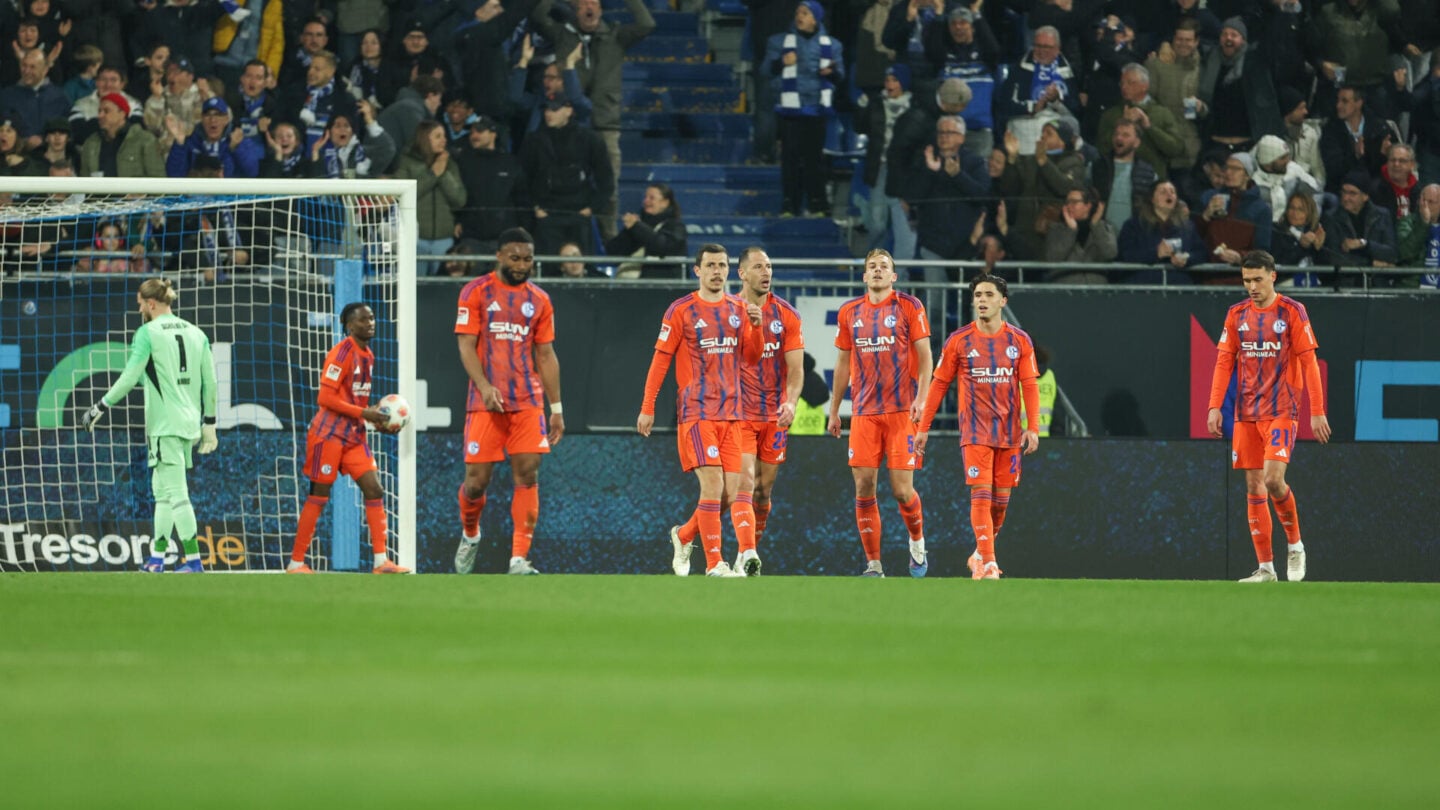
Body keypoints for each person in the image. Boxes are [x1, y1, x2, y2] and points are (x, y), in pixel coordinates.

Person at [666, 247, 803, 576]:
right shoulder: (728, 310)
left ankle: (686, 535)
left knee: (762, 492)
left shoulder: (786, 315)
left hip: (773, 415)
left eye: (769, 266)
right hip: (736, 412)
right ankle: (746, 553)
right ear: (741, 273)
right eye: (758, 267)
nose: (766, 272)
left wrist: (791, 402)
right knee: (741, 485)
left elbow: (796, 368)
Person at [637, 244, 764, 578]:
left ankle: (683, 535)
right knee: (712, 485)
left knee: (730, 494)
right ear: (698, 270)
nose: (716, 271)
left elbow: (752, 358)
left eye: (722, 265)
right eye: (710, 265)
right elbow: (661, 359)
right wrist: (648, 406)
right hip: (697, 413)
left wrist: (756, 328)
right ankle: (714, 563)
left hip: (732, 414)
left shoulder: (740, 308)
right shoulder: (681, 310)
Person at [1207, 248, 1332, 585]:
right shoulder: (1236, 314)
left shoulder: (1292, 311)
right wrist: (1214, 406)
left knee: (1274, 480)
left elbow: (1309, 362)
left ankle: (1295, 545)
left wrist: (1317, 412)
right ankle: (1266, 569)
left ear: (1272, 276)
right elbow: (1223, 362)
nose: (1252, 287)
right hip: (1246, 412)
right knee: (1253, 484)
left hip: (1282, 410)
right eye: (1246, 280)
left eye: (1258, 279)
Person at [80, 278, 218, 573]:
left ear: (151, 303)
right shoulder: (197, 333)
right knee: (163, 493)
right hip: (189, 424)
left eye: (141, 303)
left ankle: (194, 562)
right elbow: (211, 382)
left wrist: (100, 406)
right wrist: (210, 423)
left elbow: (130, 377)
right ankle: (157, 559)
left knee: (177, 494)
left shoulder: (148, 333)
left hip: (165, 425)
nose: (139, 309)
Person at [453, 228, 565, 576]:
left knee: (528, 472)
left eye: (528, 259)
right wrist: (484, 386)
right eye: (515, 258)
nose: (521, 265)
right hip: (485, 403)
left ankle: (518, 559)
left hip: (527, 401)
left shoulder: (540, 300)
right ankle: (471, 533)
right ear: (499, 256)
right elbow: (466, 346)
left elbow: (545, 355)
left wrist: (556, 408)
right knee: (476, 482)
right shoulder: (475, 291)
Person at [916, 273, 1039, 580]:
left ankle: (979, 554)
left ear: (1003, 301)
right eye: (978, 295)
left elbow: (1029, 385)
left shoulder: (1019, 340)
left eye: (988, 295)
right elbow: (939, 384)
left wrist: (1033, 427)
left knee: (1000, 504)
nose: (982, 300)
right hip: (975, 431)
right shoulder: (959, 340)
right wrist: (923, 427)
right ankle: (990, 563)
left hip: (1009, 433)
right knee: (981, 494)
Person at [828, 249, 932, 578]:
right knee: (863, 486)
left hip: (902, 411)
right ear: (864, 276)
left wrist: (922, 399)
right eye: (872, 266)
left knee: (901, 490)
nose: (877, 270)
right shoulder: (849, 312)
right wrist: (835, 409)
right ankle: (874, 564)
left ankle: (917, 540)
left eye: (883, 266)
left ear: (893, 276)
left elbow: (926, 357)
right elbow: (843, 363)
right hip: (864, 412)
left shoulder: (909, 306)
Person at [286, 302, 411, 575]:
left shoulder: (368, 355)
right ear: (349, 325)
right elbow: (325, 398)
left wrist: (375, 419)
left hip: (353, 437)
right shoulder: (341, 353)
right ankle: (296, 562)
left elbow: (354, 399)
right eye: (363, 320)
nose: (370, 323)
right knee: (319, 495)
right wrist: (365, 413)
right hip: (327, 436)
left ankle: (381, 561)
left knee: (374, 489)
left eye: (372, 318)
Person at [763, 1, 844, 218]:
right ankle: (789, 204)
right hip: (789, 112)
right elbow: (766, 71)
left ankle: (818, 204)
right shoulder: (779, 42)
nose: (799, 16)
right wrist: (782, 63)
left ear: (815, 19)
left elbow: (839, 78)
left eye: (805, 13)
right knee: (790, 159)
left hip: (816, 111)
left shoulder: (832, 45)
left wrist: (831, 73)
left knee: (814, 160)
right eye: (798, 12)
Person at [604, 182, 687, 278]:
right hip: (632, 283)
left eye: (651, 198)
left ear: (665, 202)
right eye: (645, 197)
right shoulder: (638, 225)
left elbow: (662, 246)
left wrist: (637, 227)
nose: (646, 201)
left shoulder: (676, 226)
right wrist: (629, 230)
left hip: (663, 283)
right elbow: (613, 251)